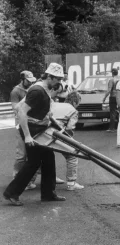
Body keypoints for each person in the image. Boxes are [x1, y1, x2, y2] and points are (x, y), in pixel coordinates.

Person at [3, 63, 66, 206]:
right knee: (33, 162)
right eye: (57, 79)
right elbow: (21, 112)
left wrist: (56, 124)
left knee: (49, 159)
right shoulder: (37, 91)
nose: (59, 82)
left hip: (40, 128)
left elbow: (45, 112)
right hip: (32, 129)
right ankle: (11, 193)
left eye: (60, 79)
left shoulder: (46, 89)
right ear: (49, 76)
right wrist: (27, 136)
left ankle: (48, 194)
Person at [10, 71, 42, 190]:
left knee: (32, 154)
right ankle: (15, 177)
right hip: (20, 125)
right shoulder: (15, 91)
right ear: (22, 79)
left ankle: (27, 180)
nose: (31, 82)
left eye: (32, 80)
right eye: (28, 80)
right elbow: (16, 109)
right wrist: (26, 100)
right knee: (21, 154)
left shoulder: (33, 88)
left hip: (32, 124)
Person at [50, 91, 84, 190]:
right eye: (78, 103)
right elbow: (69, 129)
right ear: (75, 102)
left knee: (41, 157)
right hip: (58, 135)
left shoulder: (55, 105)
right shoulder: (73, 111)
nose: (78, 106)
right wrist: (72, 142)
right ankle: (71, 183)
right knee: (72, 156)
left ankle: (29, 182)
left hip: (44, 133)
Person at [103, 68, 119, 132]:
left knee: (112, 112)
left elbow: (109, 90)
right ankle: (119, 126)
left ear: (112, 73)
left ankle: (112, 128)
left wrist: (104, 97)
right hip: (119, 96)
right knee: (119, 111)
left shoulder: (111, 80)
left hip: (113, 97)